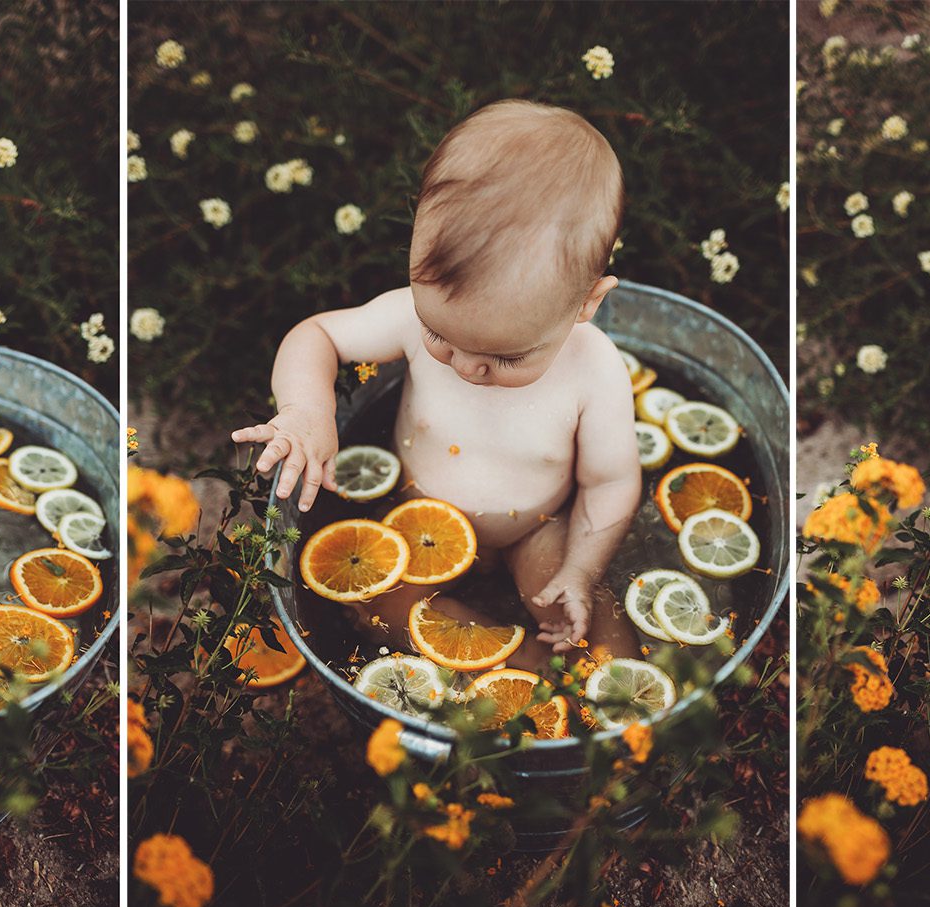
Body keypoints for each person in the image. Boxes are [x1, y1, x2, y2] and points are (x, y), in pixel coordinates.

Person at [231, 99, 642, 670]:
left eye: (505, 356)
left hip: (536, 532)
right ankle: (515, 661)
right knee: (375, 601)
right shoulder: (407, 315)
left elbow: (611, 483)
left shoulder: (594, 370)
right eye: (439, 335)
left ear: (587, 303)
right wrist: (307, 411)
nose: (465, 366)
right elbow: (317, 335)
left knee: (587, 611)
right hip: (413, 519)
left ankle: (620, 705)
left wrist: (581, 567)